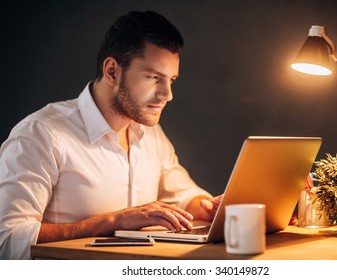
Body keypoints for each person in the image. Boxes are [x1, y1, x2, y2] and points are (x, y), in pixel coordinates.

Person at [0, 10, 221, 259]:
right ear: (112, 71)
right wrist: (112, 221)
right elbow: (7, 241)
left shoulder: (152, 134)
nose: (167, 94)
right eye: (153, 77)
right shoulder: (40, 134)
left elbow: (182, 195)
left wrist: (212, 208)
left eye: (171, 80)